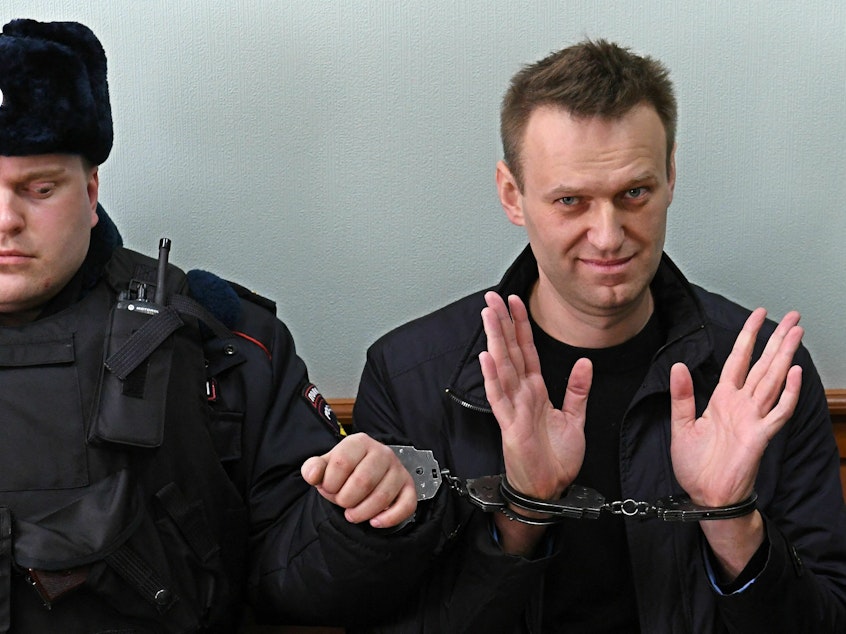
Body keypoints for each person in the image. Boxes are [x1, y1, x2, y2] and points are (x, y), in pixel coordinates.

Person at [317, 40, 846, 632]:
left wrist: (729, 518)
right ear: (512, 195)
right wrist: (522, 509)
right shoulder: (410, 374)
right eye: (571, 201)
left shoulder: (764, 374)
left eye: (635, 194)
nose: (607, 235)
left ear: (671, 175)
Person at [0, 18, 418, 632]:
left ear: (91, 194)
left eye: (38, 188)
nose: (6, 221)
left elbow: (299, 584)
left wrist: (359, 511)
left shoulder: (220, 343)